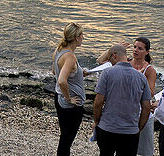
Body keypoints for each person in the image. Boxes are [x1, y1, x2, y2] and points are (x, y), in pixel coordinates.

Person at [93, 44, 152, 156]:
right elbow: (147, 107)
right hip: (130, 130)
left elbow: (98, 102)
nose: (109, 62)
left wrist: (97, 120)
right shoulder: (141, 77)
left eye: (110, 58)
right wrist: (139, 127)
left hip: (107, 127)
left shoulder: (107, 73)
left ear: (114, 56)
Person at [52, 23, 86, 156]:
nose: (83, 37)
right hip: (70, 104)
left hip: (58, 98)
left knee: (65, 137)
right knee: (67, 139)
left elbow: (55, 70)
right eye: (82, 35)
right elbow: (61, 80)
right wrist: (69, 98)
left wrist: (78, 72)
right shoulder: (70, 57)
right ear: (77, 37)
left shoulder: (59, 50)